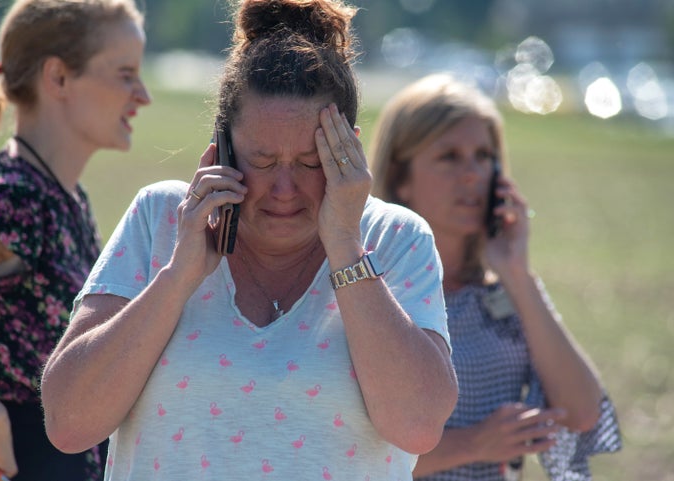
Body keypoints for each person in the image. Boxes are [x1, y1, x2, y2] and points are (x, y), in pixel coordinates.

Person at [40, 0, 459, 480]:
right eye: (261, 161)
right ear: (222, 149)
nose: (284, 189)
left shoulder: (395, 239)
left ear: (349, 154)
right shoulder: (162, 218)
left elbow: (418, 425)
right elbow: (68, 424)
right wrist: (178, 276)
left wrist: (345, 244)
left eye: (310, 162)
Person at [368, 73, 622, 481]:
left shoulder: (503, 292)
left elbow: (582, 413)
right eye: (449, 156)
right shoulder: (369, 290)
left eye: (484, 156)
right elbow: (345, 446)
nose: (472, 174)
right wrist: (473, 443)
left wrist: (517, 273)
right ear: (401, 177)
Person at [0, 0, 151, 480]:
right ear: (59, 78)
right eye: (125, 74)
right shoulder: (10, 198)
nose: (142, 95)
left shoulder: (63, 198)